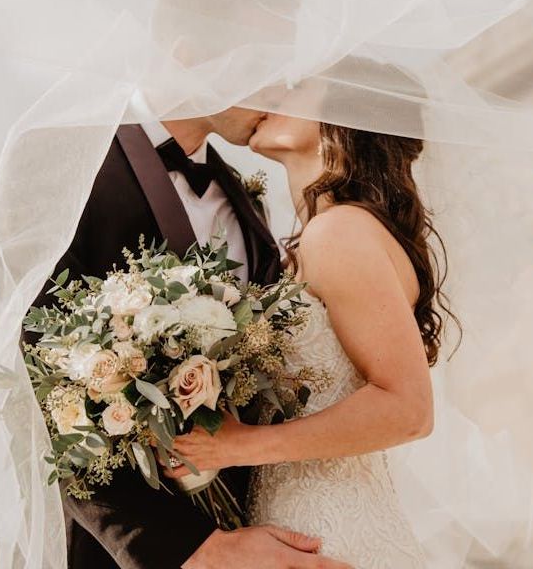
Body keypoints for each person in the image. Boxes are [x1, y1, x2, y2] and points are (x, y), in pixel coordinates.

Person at [27, 107, 351, 569]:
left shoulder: (244, 197)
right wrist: (196, 549)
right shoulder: (65, 160)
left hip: (264, 531)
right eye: (266, 59)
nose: (279, 91)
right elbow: (37, 384)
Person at [164, 113, 457, 568]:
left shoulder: (339, 232)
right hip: (294, 518)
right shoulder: (317, 235)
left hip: (330, 528)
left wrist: (238, 445)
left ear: (340, 119)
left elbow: (408, 409)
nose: (268, 97)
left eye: (294, 87)